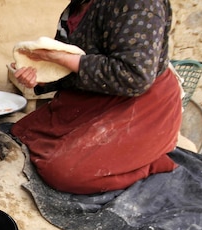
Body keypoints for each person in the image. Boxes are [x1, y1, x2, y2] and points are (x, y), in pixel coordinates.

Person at [10, 0, 183, 194]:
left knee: (64, 173)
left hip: (141, 103)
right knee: (22, 132)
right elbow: (67, 67)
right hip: (94, 95)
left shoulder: (140, 4)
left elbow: (135, 76)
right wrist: (40, 78)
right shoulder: (77, 6)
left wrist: (59, 58)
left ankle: (148, 162)